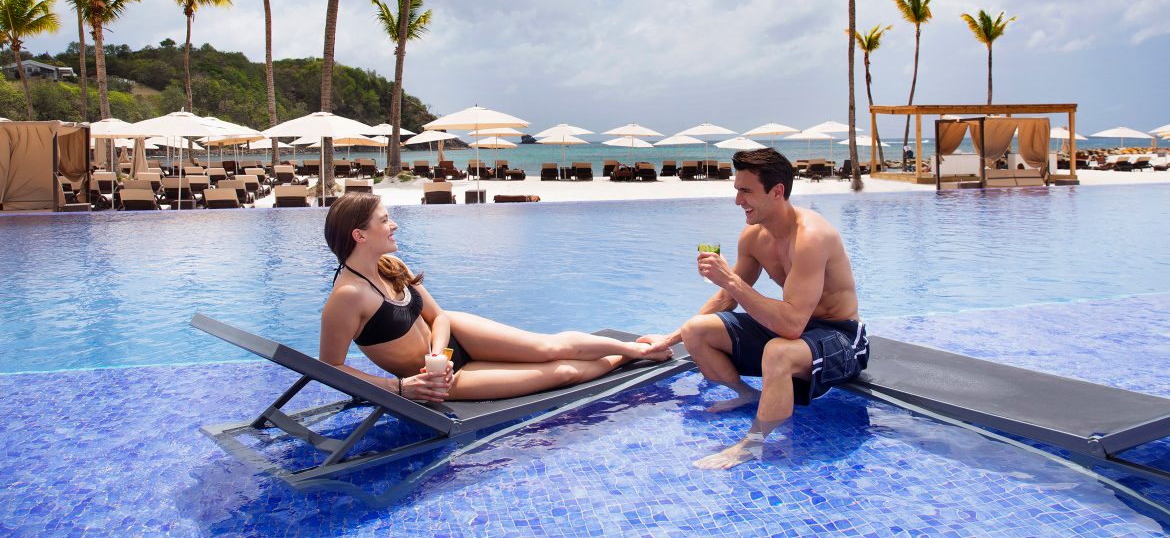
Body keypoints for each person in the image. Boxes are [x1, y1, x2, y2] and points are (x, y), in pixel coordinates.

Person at [639, 148, 868, 470]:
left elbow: (789, 325)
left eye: (746, 191)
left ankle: (753, 444)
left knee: (779, 350)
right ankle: (746, 394)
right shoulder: (753, 236)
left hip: (840, 336)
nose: (737, 201)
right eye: (737, 190)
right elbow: (724, 300)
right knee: (697, 330)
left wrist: (731, 281)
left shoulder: (811, 237)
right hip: (796, 330)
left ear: (777, 192)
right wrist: (670, 339)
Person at [320, 192, 669, 402]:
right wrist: (399, 387)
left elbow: (438, 316)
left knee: (549, 347)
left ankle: (637, 349)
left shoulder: (390, 264)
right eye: (384, 220)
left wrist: (438, 352)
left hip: (451, 341)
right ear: (359, 235)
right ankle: (623, 360)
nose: (394, 224)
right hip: (443, 382)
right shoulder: (348, 297)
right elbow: (330, 368)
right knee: (561, 372)